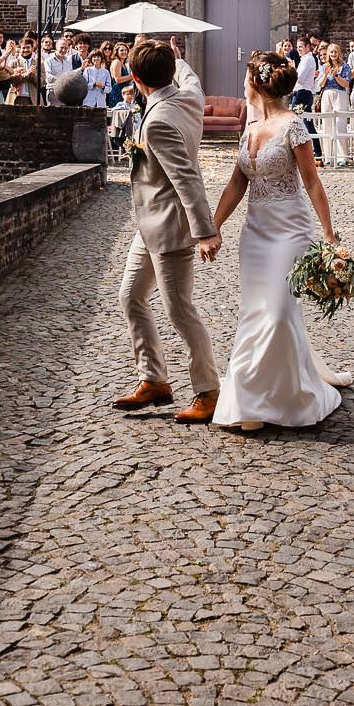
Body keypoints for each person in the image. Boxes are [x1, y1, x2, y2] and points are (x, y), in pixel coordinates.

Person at [208, 51, 354, 432]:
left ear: (256, 83)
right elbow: (238, 182)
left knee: (276, 311)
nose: (241, 85)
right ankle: (251, 399)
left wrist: (327, 233)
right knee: (255, 311)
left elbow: (311, 182)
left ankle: (283, 397)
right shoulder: (250, 128)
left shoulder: (294, 126)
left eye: (245, 78)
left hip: (290, 230)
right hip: (255, 232)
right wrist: (215, 225)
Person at [111, 38, 223, 424]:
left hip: (172, 227)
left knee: (180, 311)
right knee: (130, 296)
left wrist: (205, 231)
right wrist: (174, 53)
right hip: (148, 226)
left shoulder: (158, 120)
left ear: (137, 79)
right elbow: (191, 77)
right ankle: (154, 379)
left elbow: (187, 178)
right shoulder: (189, 95)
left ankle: (208, 391)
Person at [315, 43, 354, 168]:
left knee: (340, 125)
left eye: (335, 52)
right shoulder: (324, 66)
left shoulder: (345, 67)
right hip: (327, 94)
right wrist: (326, 74)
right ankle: (329, 156)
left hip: (340, 95)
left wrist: (336, 75)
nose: (333, 54)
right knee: (326, 125)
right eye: (331, 52)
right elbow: (320, 85)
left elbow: (346, 84)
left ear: (339, 53)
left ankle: (343, 157)